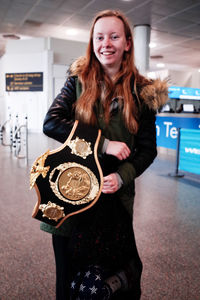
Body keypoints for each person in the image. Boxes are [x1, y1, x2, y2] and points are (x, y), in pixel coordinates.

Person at [41, 9, 168, 300]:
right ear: (92, 41)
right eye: (99, 37)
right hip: (70, 190)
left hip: (113, 198)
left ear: (127, 43)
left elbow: (148, 150)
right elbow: (51, 122)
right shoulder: (77, 80)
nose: (105, 43)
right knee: (66, 277)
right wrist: (103, 143)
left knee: (118, 275)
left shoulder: (145, 92)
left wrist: (122, 177)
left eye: (113, 36)